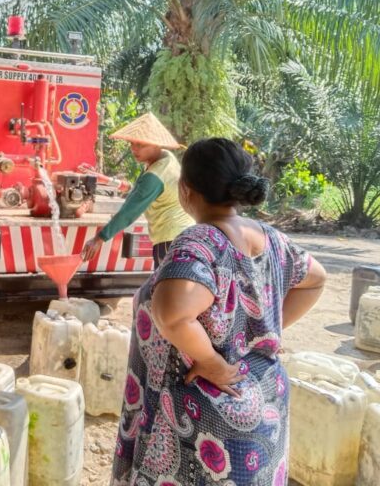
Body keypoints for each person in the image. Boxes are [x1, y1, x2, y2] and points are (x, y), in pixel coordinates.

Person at [111, 138, 327, 486]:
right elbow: (316, 280)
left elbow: (173, 314)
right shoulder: (271, 238)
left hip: (204, 417)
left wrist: (210, 361)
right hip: (263, 401)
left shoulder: (200, 241)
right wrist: (264, 331)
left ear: (185, 189)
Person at [82, 112, 193, 268]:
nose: (134, 149)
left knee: (166, 283)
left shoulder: (154, 175)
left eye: (140, 144)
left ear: (156, 144)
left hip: (170, 239)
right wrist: (109, 181)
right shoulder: (166, 157)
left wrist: (98, 239)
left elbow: (129, 212)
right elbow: (137, 190)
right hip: (183, 234)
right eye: (132, 143)